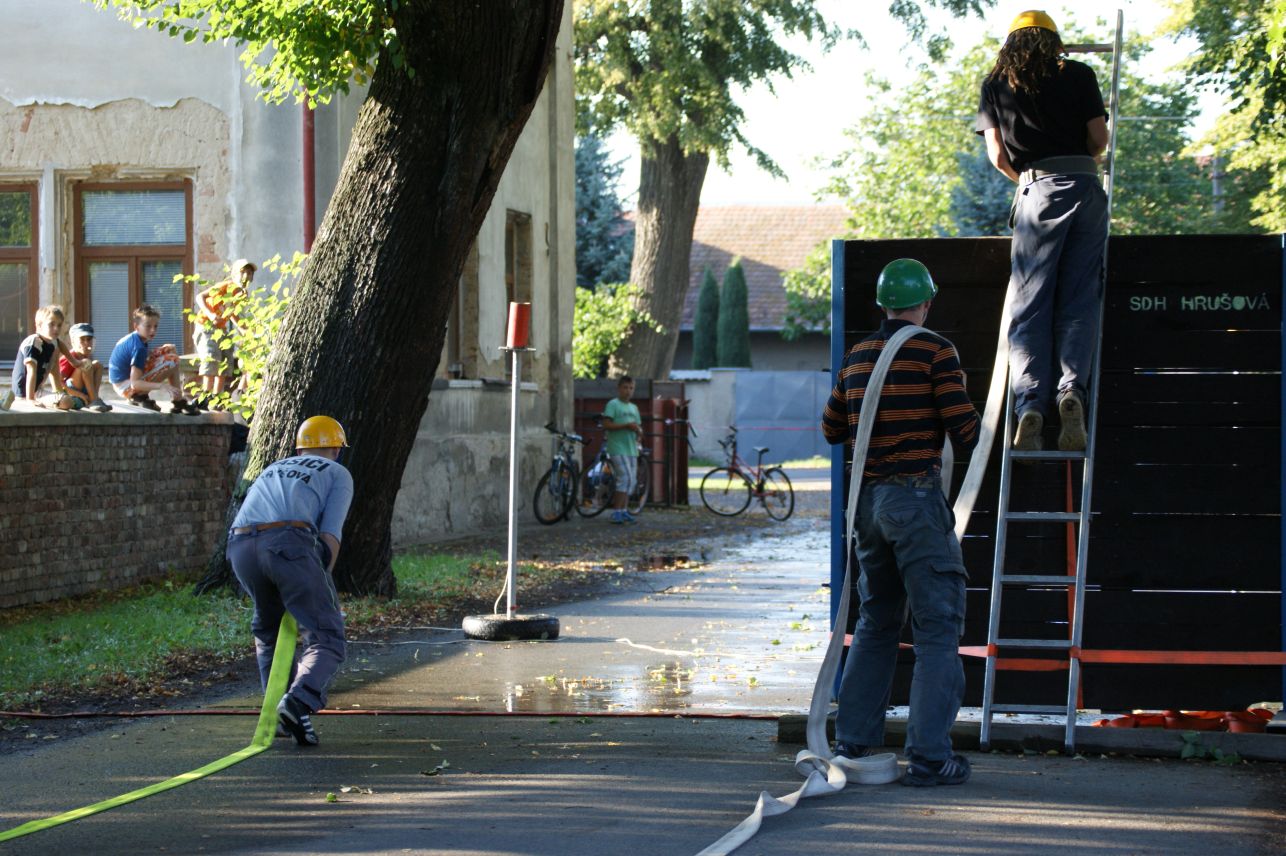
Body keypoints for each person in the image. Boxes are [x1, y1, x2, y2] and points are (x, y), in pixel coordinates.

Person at [821, 258, 980, 787]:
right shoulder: (935, 351)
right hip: (916, 501)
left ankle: (853, 740)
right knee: (937, 628)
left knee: (875, 621)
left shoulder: (858, 355)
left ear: (883, 304)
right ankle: (931, 757)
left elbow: (831, 429)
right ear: (926, 303)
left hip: (869, 507)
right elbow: (964, 428)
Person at [976, 9, 1110, 452]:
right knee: (1079, 300)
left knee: (1029, 306)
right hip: (1087, 190)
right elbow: (1098, 139)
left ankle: (1030, 403)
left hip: (1037, 190)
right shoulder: (1079, 73)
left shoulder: (996, 84)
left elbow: (997, 156)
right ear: (1054, 42)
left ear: (1010, 43)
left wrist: (1031, 183)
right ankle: (1071, 391)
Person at [228, 415, 354, 747]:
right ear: (338, 450)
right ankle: (298, 702)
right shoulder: (337, 473)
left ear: (299, 448)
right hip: (289, 544)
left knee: (268, 632)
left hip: (241, 546)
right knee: (326, 635)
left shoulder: (273, 467)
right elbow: (330, 536)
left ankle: (278, 716)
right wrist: (316, 581)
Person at [108, 304, 199, 414]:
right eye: (148, 326)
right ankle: (141, 396)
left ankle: (176, 400)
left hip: (123, 382)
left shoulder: (136, 338)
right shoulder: (138, 348)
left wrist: (161, 350)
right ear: (136, 326)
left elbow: (142, 359)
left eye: (155, 326)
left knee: (170, 350)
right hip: (126, 388)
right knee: (172, 360)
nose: (153, 331)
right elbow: (135, 383)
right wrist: (161, 386)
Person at [193, 258, 253, 406]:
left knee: (226, 360)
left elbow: (233, 313)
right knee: (211, 356)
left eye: (249, 273)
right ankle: (205, 395)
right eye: (242, 272)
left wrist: (245, 330)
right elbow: (200, 297)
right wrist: (211, 314)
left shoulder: (242, 294)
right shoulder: (226, 286)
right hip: (206, 326)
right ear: (234, 275)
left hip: (221, 329)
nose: (246, 276)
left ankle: (217, 396)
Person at [10, 305, 74, 410]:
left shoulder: (52, 342)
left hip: (37, 390)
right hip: (24, 394)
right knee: (66, 402)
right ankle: (56, 398)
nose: (56, 328)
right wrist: (30, 399)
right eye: (51, 324)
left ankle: (58, 391)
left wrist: (75, 362)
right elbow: (31, 372)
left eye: (59, 325)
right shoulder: (34, 342)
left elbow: (60, 344)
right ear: (39, 325)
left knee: (56, 349)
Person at [601, 375, 643, 524]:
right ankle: (616, 512)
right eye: (625, 387)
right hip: (617, 447)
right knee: (625, 478)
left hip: (631, 448)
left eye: (631, 388)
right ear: (619, 388)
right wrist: (625, 426)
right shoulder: (613, 404)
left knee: (631, 481)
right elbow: (606, 424)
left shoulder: (634, 408)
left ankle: (624, 511)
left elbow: (638, 426)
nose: (628, 391)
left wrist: (639, 433)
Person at [59, 322, 112, 412]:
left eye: (89, 339)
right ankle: (93, 400)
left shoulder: (85, 356)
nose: (86, 343)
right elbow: (59, 383)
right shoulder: (68, 357)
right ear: (73, 341)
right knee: (86, 363)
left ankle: (95, 398)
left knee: (97, 364)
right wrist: (79, 395)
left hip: (85, 392)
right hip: (71, 394)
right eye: (82, 339)